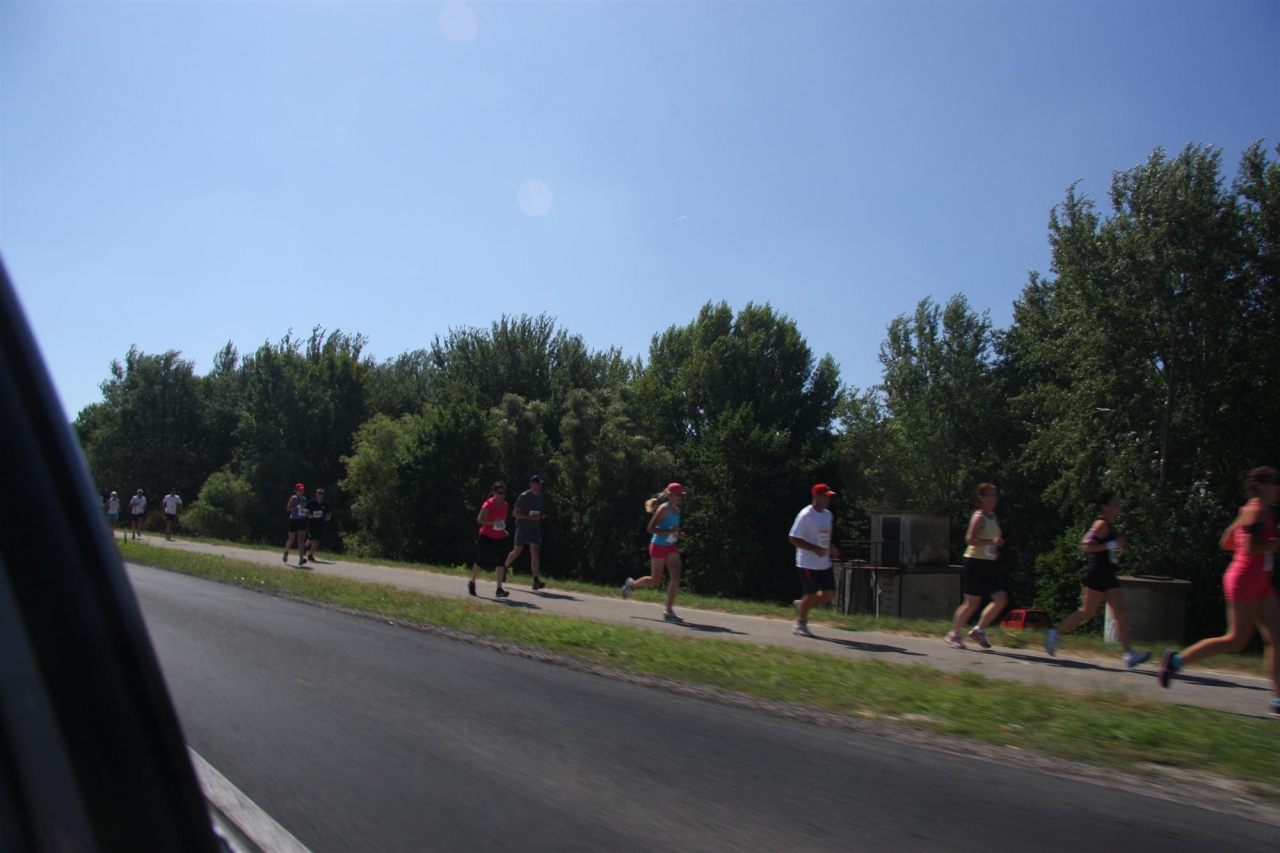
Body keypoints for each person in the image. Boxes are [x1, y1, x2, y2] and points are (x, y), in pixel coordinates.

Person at [1159, 467, 1280, 715]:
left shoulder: (1254, 511)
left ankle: (1277, 701)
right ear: (1261, 485)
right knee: (1235, 640)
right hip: (1244, 581)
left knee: (1277, 639)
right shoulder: (1256, 511)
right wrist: (1275, 542)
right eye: (1274, 481)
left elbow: (1226, 542)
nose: (1278, 486)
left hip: (1261, 582)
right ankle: (1175, 661)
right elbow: (1251, 548)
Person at [1044, 494, 1151, 667]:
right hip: (1098, 573)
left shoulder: (1108, 525)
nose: (1118, 508)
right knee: (1086, 612)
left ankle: (1129, 654)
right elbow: (1086, 545)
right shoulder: (1100, 524)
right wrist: (1113, 544)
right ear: (1105, 507)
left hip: (1108, 573)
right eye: (1114, 504)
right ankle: (1055, 634)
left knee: (1120, 611)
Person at [947, 483, 1008, 649]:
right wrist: (990, 542)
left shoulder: (992, 516)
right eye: (991, 495)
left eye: (995, 495)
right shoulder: (978, 517)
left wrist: (995, 548)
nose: (994, 498)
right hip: (973, 562)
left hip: (989, 562)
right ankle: (954, 634)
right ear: (981, 498)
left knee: (1000, 599)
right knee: (972, 602)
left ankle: (978, 630)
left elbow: (992, 540)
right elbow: (969, 539)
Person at [622, 483, 687, 622]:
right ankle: (631, 585)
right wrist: (670, 531)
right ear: (670, 495)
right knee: (655, 580)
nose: (680, 497)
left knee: (676, 577)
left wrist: (678, 534)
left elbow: (673, 529)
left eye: (681, 495)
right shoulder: (663, 509)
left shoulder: (678, 511)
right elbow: (650, 528)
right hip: (658, 546)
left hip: (671, 546)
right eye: (677, 495)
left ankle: (669, 611)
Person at [789, 484, 840, 637]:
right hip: (807, 563)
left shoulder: (828, 515)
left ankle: (802, 605)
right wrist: (813, 548)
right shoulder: (805, 515)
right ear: (816, 496)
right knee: (810, 594)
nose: (828, 499)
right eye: (825, 496)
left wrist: (831, 548)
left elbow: (823, 536)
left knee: (830, 594)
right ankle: (800, 624)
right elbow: (793, 538)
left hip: (823, 562)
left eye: (829, 496)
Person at [501, 475, 547, 591]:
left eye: (540, 484)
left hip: (534, 529)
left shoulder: (540, 497)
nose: (539, 486)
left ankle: (536, 580)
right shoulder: (524, 496)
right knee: (517, 552)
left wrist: (541, 516)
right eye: (537, 484)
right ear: (532, 484)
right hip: (522, 528)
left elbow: (537, 512)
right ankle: (504, 568)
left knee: (535, 552)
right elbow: (515, 513)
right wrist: (530, 518)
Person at [470, 482, 510, 597]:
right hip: (486, 535)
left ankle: (499, 589)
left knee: (501, 561)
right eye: (499, 493)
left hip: (499, 536)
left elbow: (501, 521)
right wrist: (492, 523)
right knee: (482, 559)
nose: (501, 495)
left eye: (503, 493)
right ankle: (472, 582)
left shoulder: (505, 505)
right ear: (494, 493)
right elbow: (480, 519)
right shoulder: (489, 504)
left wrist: (503, 530)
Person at [282, 483, 310, 568]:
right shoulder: (294, 498)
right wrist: (296, 507)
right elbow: (288, 508)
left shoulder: (304, 499)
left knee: (301, 540)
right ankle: (286, 552)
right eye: (300, 490)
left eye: (302, 490)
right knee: (291, 539)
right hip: (294, 520)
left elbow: (304, 509)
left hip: (302, 520)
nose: (302, 491)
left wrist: (306, 512)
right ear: (296, 490)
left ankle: (301, 558)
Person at [305, 488, 332, 562]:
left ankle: (310, 555)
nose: (320, 495)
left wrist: (328, 517)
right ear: (316, 494)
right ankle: (305, 547)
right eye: (319, 493)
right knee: (312, 538)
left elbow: (329, 512)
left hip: (320, 523)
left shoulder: (325, 504)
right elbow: (305, 510)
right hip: (311, 523)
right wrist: (309, 515)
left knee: (317, 540)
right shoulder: (311, 503)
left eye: (322, 494)